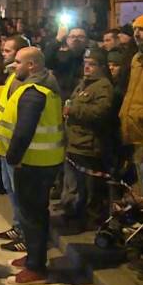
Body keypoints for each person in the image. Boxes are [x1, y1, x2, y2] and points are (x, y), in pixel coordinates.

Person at [0, 47, 64, 285]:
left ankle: (36, 268)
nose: (14, 66)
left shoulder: (34, 93)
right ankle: (34, 257)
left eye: (18, 62)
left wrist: (13, 158)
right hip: (42, 162)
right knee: (36, 213)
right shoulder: (44, 87)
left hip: (33, 163)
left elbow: (24, 131)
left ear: (31, 65)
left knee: (31, 215)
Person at [60, 48, 113, 232]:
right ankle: (72, 215)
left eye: (92, 64)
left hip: (87, 145)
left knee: (88, 189)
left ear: (101, 67)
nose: (87, 68)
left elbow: (100, 112)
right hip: (74, 143)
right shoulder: (84, 84)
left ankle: (87, 222)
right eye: (85, 64)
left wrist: (72, 110)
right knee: (74, 186)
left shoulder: (103, 87)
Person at [0, 34, 31, 252]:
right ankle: (17, 226)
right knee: (10, 189)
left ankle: (26, 235)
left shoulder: (23, 81)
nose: (3, 54)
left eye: (8, 51)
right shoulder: (12, 76)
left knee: (20, 193)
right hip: (5, 145)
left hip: (15, 148)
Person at [118, 14, 143, 189]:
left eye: (142, 30)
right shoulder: (136, 59)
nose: (136, 34)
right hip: (133, 130)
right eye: (135, 29)